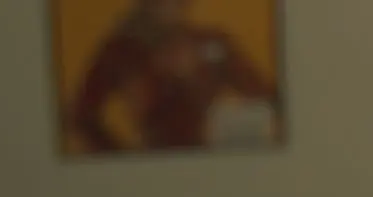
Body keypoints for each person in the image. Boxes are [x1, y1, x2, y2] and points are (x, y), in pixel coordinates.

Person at [66, 0, 278, 153]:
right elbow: (81, 117)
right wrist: (122, 160)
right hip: (155, 166)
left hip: (215, 162)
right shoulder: (122, 51)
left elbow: (267, 97)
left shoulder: (211, 42)